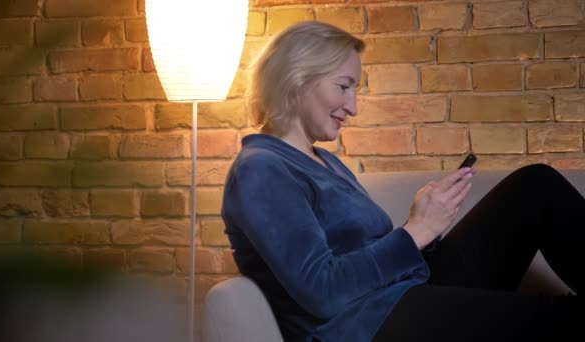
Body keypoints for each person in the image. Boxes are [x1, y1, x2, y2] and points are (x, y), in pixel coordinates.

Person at [221, 21, 581, 341]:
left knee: (535, 187)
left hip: (404, 291)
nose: (354, 107)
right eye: (344, 86)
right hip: (368, 324)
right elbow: (322, 290)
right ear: (297, 79)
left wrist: (427, 219)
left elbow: (374, 251)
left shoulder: (322, 159)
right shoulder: (261, 169)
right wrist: (414, 232)